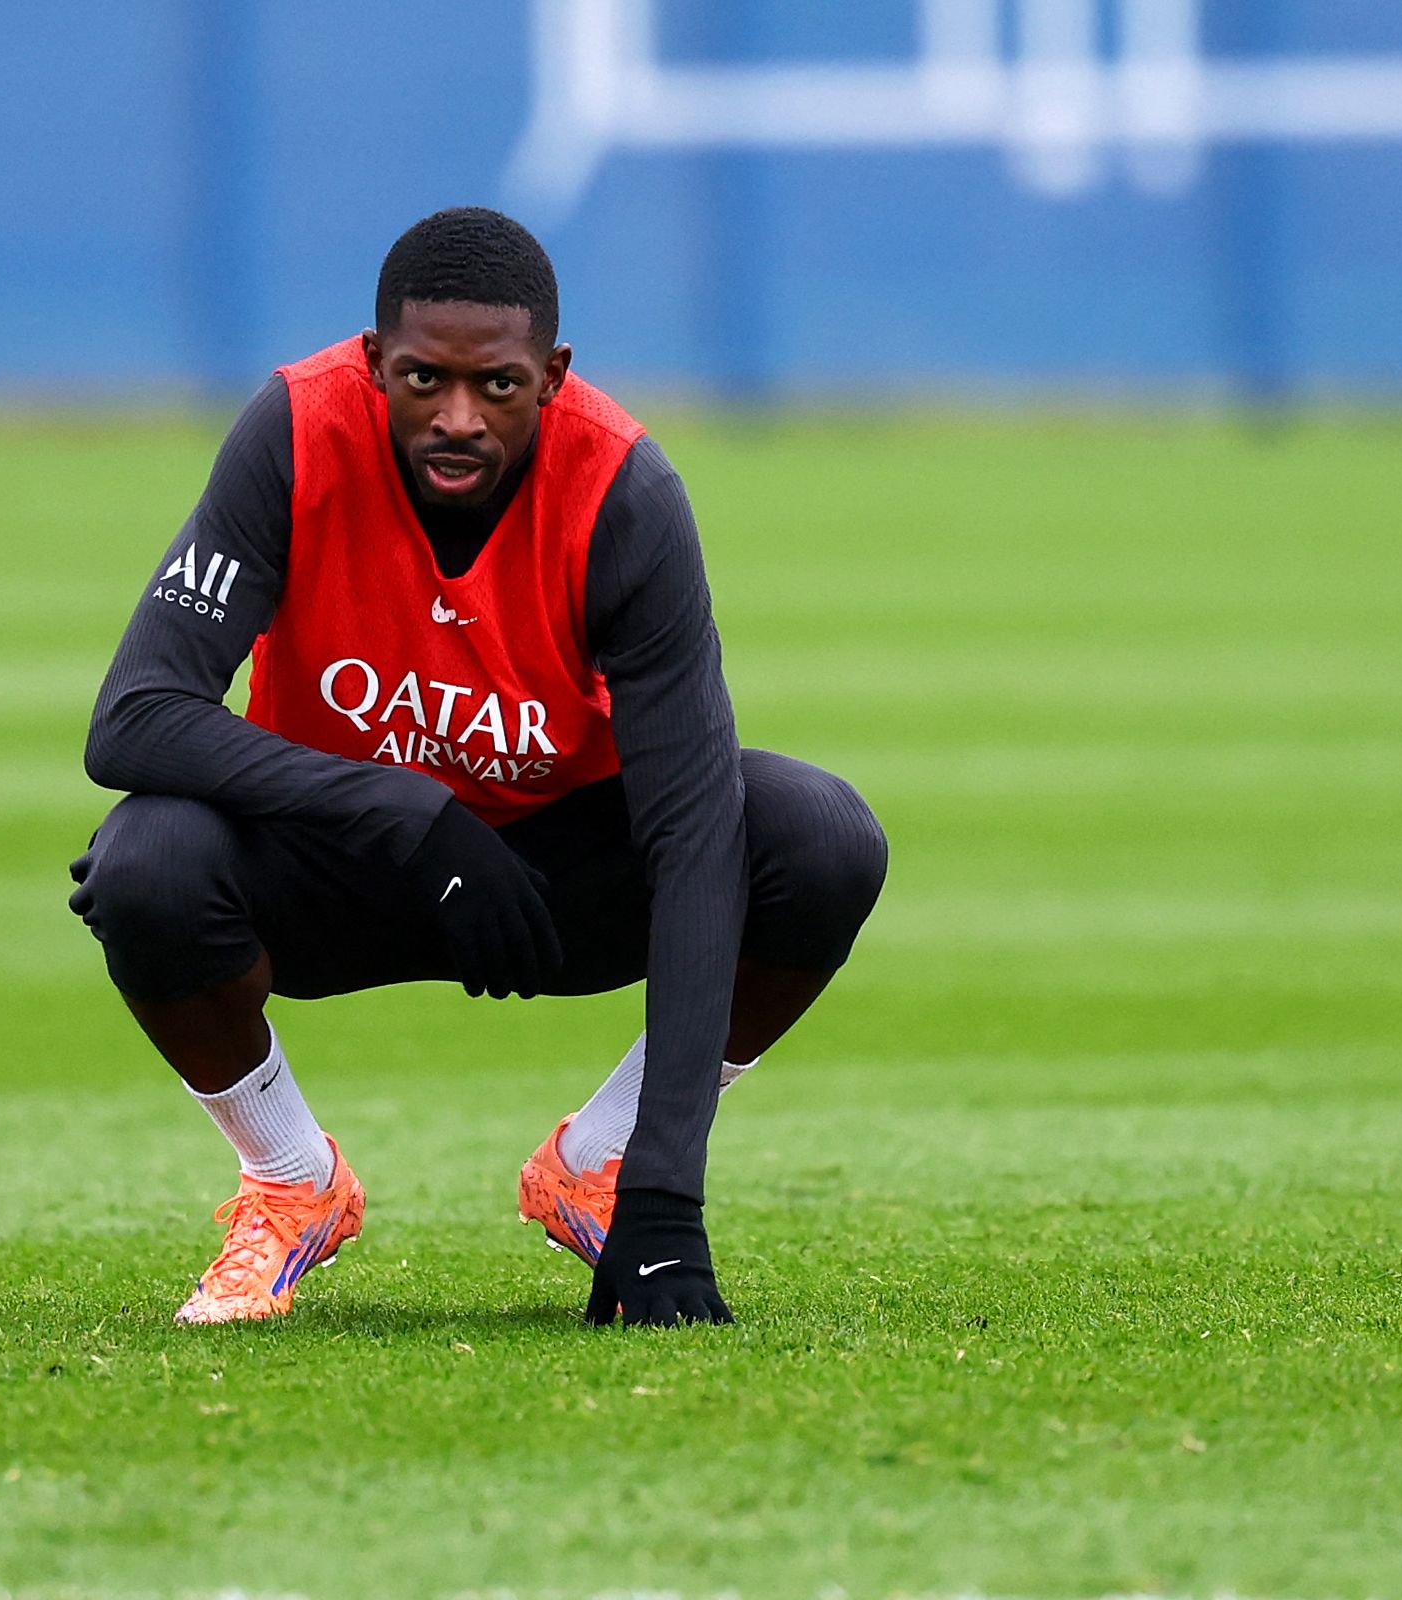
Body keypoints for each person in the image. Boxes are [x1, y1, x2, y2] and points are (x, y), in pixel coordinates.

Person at [68, 207, 886, 1328]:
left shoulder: (626, 492)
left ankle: (596, 1165)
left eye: (497, 386)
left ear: (552, 375)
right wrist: (407, 808)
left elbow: (695, 833)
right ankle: (291, 1181)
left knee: (819, 839)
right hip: (347, 858)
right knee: (144, 863)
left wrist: (665, 1194)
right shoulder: (295, 432)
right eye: (421, 380)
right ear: (373, 363)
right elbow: (133, 717)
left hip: (550, 885)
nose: (457, 417)